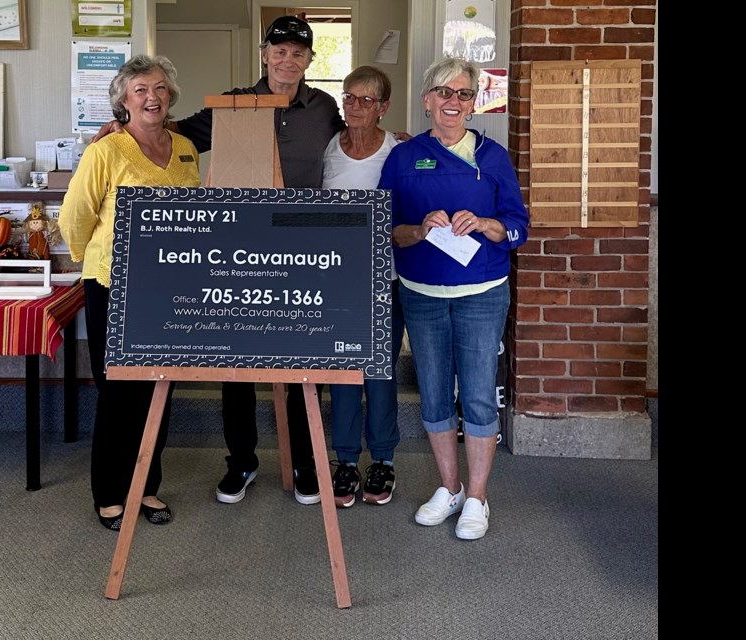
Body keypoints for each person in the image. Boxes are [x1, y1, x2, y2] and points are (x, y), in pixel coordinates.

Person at [93, 15, 346, 507]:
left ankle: (304, 463)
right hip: (244, 249)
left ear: (310, 60)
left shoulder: (324, 107)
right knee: (238, 360)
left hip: (303, 249)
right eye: (279, 50)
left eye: (298, 52)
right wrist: (124, 125)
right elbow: (175, 132)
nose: (287, 59)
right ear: (264, 54)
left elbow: (349, 143)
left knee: (303, 360)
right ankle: (243, 461)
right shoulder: (234, 103)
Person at [378, 57, 528, 540]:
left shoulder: (494, 156)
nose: (453, 102)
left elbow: (518, 227)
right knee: (436, 393)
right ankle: (449, 488)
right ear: (427, 100)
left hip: (482, 292)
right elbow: (385, 227)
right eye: (444, 92)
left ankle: (478, 497)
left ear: (473, 103)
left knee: (480, 395)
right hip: (422, 293)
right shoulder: (403, 158)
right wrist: (419, 229)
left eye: (464, 94)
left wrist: (485, 224)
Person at [59, 54, 201, 531]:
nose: (151, 97)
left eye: (159, 88)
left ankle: (147, 485)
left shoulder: (184, 149)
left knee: (161, 385)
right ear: (123, 99)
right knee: (119, 390)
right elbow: (74, 217)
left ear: (170, 97)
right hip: (114, 287)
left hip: (171, 288)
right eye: (140, 89)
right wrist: (96, 260)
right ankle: (110, 492)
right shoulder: (105, 151)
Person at [321, 65, 405, 509]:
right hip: (337, 283)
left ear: (383, 107)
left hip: (384, 280)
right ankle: (347, 460)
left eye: (365, 100)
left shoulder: (399, 150)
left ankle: (384, 460)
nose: (354, 106)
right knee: (342, 375)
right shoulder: (328, 148)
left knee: (380, 373)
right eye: (349, 98)